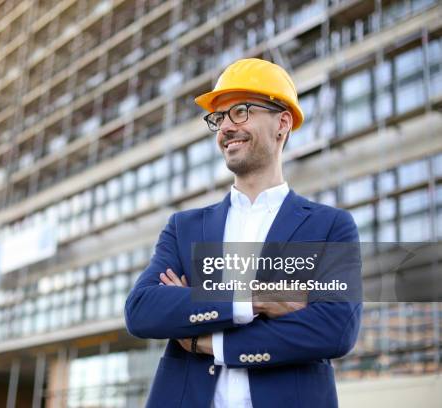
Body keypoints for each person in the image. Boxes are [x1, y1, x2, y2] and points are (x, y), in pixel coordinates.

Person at [124, 58, 362, 407]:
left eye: (240, 112)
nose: (225, 129)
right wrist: (254, 298)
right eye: (219, 118)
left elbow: (336, 327)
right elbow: (143, 310)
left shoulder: (329, 227)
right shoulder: (184, 228)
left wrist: (206, 340)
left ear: (282, 123)